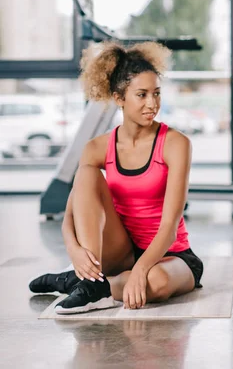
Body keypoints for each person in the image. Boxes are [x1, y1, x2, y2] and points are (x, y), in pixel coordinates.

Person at [29, 41, 204, 314]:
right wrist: (73, 249)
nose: (152, 103)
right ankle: (92, 284)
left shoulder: (175, 143)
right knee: (86, 174)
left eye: (156, 94)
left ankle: (82, 282)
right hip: (120, 251)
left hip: (169, 255)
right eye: (142, 95)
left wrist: (142, 269)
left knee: (154, 284)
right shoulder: (97, 148)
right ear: (119, 98)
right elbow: (71, 216)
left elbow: (170, 227)